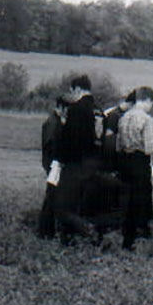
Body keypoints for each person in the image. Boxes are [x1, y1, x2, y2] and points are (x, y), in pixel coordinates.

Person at [116, 86, 153, 249]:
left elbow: (118, 144)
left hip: (124, 160)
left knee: (126, 198)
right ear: (147, 100)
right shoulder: (147, 119)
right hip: (139, 161)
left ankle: (126, 234)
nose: (151, 107)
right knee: (140, 198)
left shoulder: (124, 117)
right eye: (151, 103)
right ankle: (138, 234)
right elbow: (150, 148)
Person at [53, 75, 99, 245]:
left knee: (63, 205)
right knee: (79, 203)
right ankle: (75, 237)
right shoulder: (97, 109)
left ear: (78, 89)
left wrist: (60, 159)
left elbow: (71, 140)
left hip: (75, 164)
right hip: (92, 162)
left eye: (72, 91)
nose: (71, 94)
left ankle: (86, 230)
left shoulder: (76, 109)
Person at [37, 96, 67, 239]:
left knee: (52, 197)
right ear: (61, 107)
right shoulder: (52, 123)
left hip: (52, 165)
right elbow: (50, 145)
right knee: (51, 198)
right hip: (53, 165)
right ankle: (45, 231)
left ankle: (46, 231)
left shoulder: (53, 121)